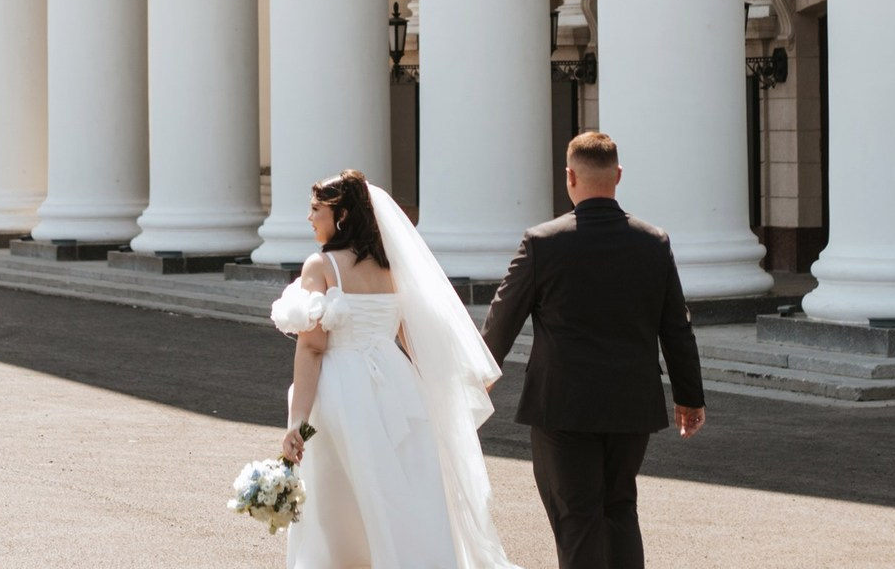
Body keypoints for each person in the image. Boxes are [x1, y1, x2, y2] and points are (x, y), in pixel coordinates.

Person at [271, 169, 522, 569]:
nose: (309, 218)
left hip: (342, 391)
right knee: (407, 489)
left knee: (340, 499)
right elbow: (415, 339)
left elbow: (312, 349)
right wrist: (450, 388)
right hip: (398, 386)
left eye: (316, 209)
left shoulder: (320, 266)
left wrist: (297, 423)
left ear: (343, 217)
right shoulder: (393, 266)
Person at [481, 132, 706, 569]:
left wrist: (480, 374)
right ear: (618, 176)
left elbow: (503, 316)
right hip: (630, 404)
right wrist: (689, 397)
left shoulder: (542, 241)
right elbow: (676, 327)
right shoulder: (653, 241)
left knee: (576, 518)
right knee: (619, 508)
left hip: (562, 406)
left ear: (569, 177)